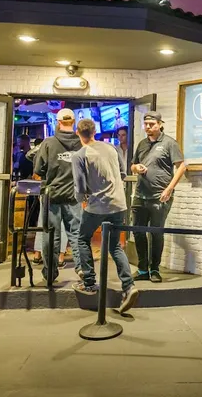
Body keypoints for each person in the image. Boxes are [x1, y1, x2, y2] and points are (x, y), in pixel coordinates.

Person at [70, 119, 139, 313]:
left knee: (82, 238)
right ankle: (129, 286)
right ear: (94, 131)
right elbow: (124, 173)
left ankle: (89, 283)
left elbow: (80, 187)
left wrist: (81, 198)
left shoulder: (79, 155)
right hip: (119, 204)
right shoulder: (111, 148)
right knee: (115, 246)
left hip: (96, 207)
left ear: (78, 133)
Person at [131, 111, 186, 283]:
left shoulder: (169, 143)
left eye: (151, 124)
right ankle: (142, 269)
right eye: (146, 124)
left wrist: (169, 189)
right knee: (138, 232)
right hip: (140, 194)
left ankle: (154, 269)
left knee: (156, 233)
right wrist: (136, 168)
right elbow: (132, 165)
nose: (148, 127)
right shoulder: (141, 144)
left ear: (160, 124)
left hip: (160, 196)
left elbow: (182, 166)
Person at [33, 109, 83, 282]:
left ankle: (50, 274)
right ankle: (83, 270)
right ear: (74, 121)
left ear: (57, 121)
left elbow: (38, 169)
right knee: (77, 235)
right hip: (74, 197)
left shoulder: (48, 143)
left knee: (50, 235)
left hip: (52, 196)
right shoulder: (83, 144)